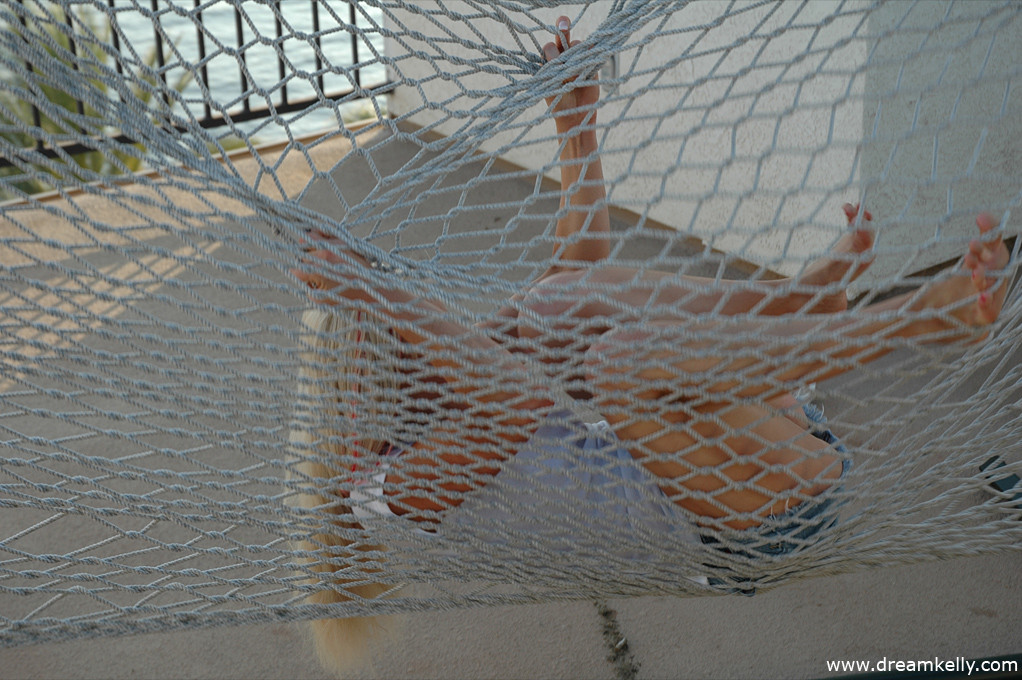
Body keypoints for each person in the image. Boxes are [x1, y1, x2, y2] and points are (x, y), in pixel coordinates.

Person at [289, 16, 1011, 673]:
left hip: (764, 438)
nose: (409, 328)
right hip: (751, 526)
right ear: (353, 413)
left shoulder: (452, 376)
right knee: (613, 365)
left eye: (390, 326)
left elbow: (577, 274)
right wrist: (378, 293)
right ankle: (914, 319)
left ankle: (790, 308)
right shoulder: (383, 495)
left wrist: (577, 130)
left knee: (554, 308)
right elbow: (515, 405)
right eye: (384, 338)